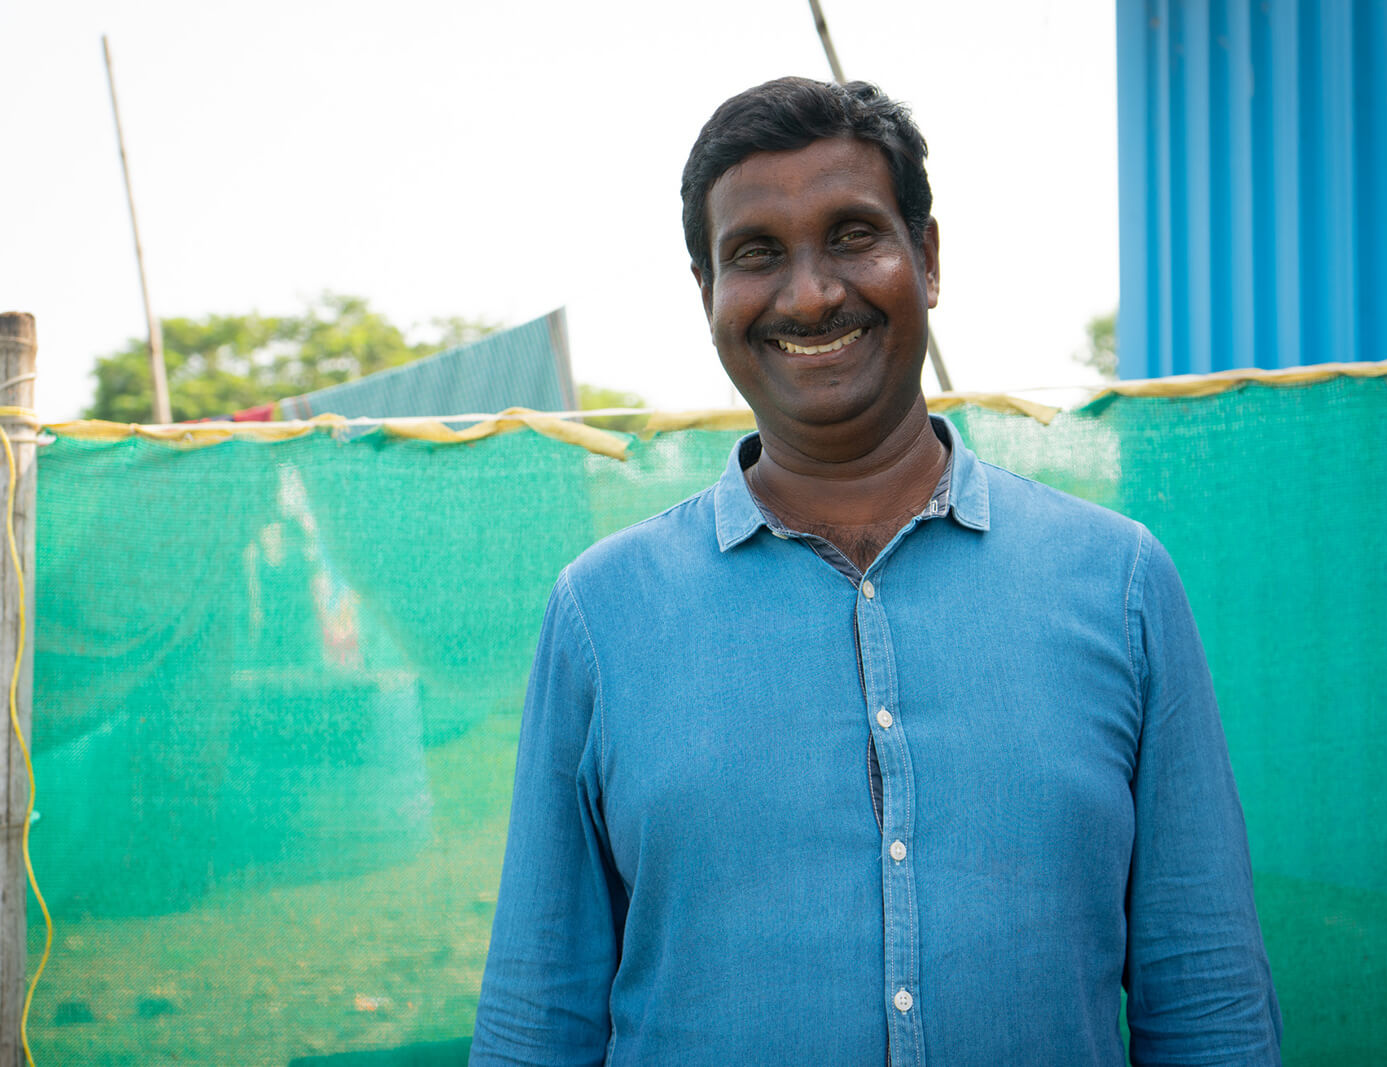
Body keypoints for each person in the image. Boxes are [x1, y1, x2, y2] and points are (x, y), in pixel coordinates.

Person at [471, 76, 1281, 1065]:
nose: (809, 293)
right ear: (708, 294)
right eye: (755, 253)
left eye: (853, 235)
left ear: (927, 259)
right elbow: (538, 1011)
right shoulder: (601, 611)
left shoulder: (1117, 581)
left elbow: (1203, 989)